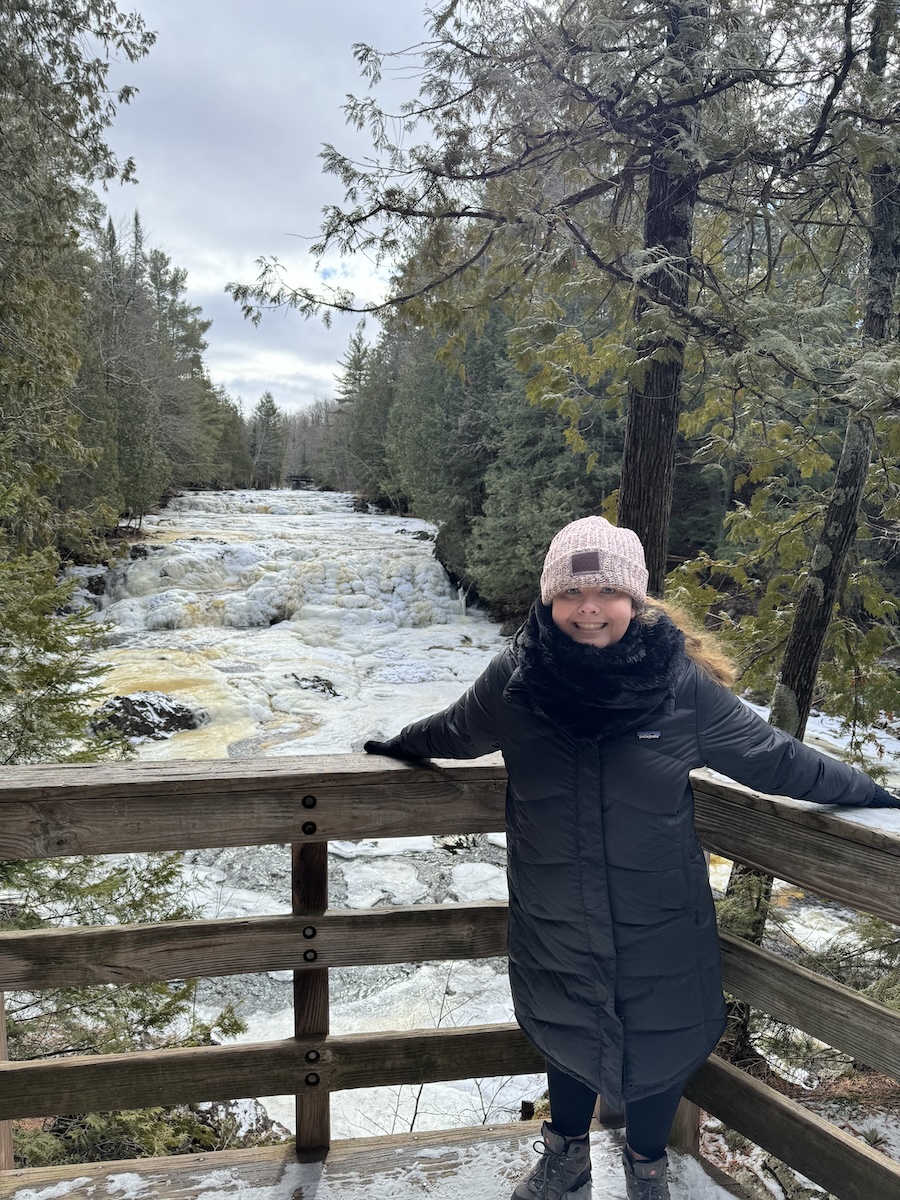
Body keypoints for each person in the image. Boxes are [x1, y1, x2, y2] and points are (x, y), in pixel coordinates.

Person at [364, 516, 899, 1200]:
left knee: (660, 1038)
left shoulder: (680, 686)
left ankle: (649, 1169)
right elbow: (456, 730)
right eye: (572, 592)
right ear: (549, 600)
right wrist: (398, 744)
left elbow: (775, 760)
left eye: (607, 591)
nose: (589, 608)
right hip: (554, 907)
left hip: (659, 916)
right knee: (566, 1026)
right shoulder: (515, 680)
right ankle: (567, 1159)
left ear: (636, 599)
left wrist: (875, 794)